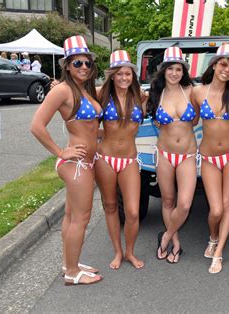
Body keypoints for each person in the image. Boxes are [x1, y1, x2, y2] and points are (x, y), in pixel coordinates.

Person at [30, 35, 103, 285]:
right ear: (67, 66)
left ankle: (68, 263)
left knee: (72, 216)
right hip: (76, 164)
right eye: (77, 63)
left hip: (86, 162)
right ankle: (72, 273)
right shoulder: (61, 90)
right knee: (81, 218)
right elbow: (37, 126)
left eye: (87, 63)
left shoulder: (84, 90)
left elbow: (91, 127)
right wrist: (61, 152)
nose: (83, 67)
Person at [192, 44, 229, 273]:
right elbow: (190, 120)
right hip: (209, 157)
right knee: (215, 210)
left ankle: (219, 252)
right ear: (214, 64)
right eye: (223, 64)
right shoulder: (197, 92)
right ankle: (213, 237)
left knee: (228, 204)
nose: (227, 70)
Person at [95, 50, 146, 270]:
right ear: (112, 75)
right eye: (119, 74)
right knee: (110, 206)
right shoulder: (99, 94)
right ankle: (117, 251)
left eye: (128, 73)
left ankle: (130, 252)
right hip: (105, 158)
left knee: (133, 211)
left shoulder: (140, 96)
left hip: (129, 160)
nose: (124, 77)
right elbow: (72, 101)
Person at [148, 46, 198, 264]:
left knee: (184, 203)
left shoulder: (192, 92)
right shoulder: (155, 94)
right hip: (165, 154)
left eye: (178, 69)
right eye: (170, 69)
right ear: (163, 71)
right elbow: (121, 91)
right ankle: (176, 243)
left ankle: (166, 235)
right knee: (168, 201)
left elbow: (216, 93)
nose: (174, 73)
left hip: (187, 154)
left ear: (183, 71)